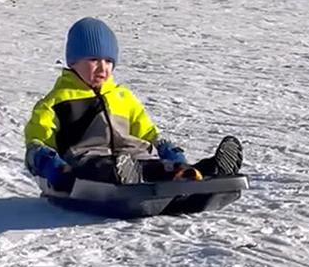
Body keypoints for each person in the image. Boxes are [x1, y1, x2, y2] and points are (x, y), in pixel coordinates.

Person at [24, 17, 243, 192]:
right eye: (93, 60)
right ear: (73, 61)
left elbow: (147, 131)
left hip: (132, 157)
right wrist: (50, 165)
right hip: (87, 162)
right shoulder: (56, 101)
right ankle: (127, 178)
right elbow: (37, 141)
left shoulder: (122, 97)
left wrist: (169, 152)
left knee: (157, 166)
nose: (102, 68)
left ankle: (206, 170)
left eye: (109, 61)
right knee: (103, 169)